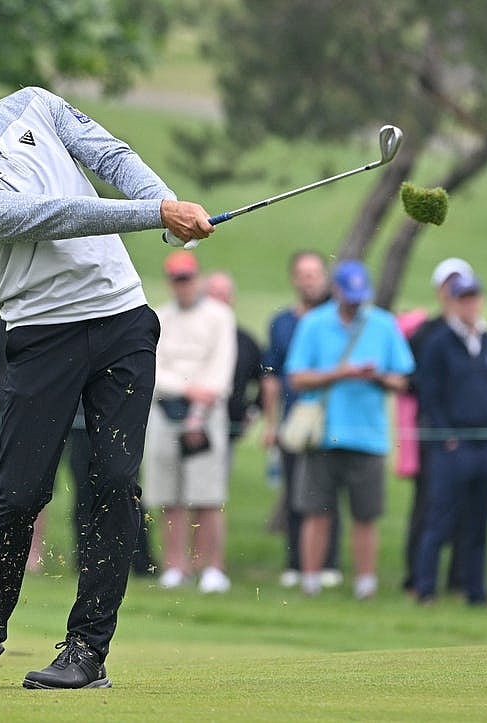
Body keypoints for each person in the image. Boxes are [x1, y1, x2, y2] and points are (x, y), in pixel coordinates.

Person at [0, 64, 214, 690]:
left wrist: (170, 209)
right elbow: (53, 216)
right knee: (20, 495)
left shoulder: (35, 106)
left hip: (122, 324)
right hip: (40, 336)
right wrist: (154, 213)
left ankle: (86, 650)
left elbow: (109, 155)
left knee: (114, 481)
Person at [0, 316, 157, 576]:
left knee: (105, 482)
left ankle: (109, 562)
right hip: (27, 413)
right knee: (18, 489)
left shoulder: (94, 320)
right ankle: (14, 560)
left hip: (82, 415)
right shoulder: (6, 323)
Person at [285, 260, 414, 599]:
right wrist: (340, 374)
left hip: (368, 435)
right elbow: (296, 377)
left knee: (366, 515)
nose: (356, 302)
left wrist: (376, 377)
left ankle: (365, 585)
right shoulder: (314, 324)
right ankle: (310, 581)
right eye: (350, 295)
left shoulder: (383, 325)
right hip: (323, 434)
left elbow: (402, 379)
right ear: (337, 291)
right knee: (316, 512)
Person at [142, 250, 236, 593]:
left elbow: (221, 367)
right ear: (171, 282)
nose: (183, 285)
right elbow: (155, 369)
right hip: (167, 410)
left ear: (197, 278)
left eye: (188, 278)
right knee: (170, 494)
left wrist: (200, 395)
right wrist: (187, 388)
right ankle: (175, 566)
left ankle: (211, 567)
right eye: (177, 279)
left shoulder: (218, 315)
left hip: (208, 412)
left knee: (207, 494)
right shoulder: (160, 317)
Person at [414, 271, 487, 606]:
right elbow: (430, 395)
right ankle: (426, 589)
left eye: (473, 297)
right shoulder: (440, 343)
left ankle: (475, 591)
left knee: (478, 522)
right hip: (453, 446)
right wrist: (446, 437)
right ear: (452, 302)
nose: (469, 304)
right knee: (440, 519)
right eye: (462, 298)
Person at [259, 251, 342, 589]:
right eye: (303, 274)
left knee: (329, 494)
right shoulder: (282, 323)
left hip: (333, 420)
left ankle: (329, 564)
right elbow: (271, 377)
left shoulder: (336, 320)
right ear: (294, 279)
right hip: (295, 420)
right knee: (296, 490)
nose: (309, 280)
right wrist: (270, 423)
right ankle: (295, 563)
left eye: (315, 274)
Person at [402, 258, 474, 594]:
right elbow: (412, 380)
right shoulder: (427, 332)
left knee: (465, 510)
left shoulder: (477, 333)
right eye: (449, 284)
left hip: (471, 437)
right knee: (427, 506)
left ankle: (459, 579)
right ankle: (416, 578)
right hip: (433, 433)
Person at [204, 271, 265, 450]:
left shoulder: (245, 341)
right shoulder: (192, 334)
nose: (219, 301)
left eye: (223, 295)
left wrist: (252, 412)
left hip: (228, 426)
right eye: (213, 295)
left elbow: (264, 378)